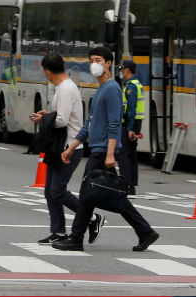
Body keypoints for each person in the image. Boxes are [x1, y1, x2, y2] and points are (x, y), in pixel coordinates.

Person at [53, 46, 159, 252]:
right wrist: (72, 147)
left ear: (108, 63)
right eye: (92, 59)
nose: (94, 63)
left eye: (98, 59)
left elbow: (114, 124)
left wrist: (111, 153)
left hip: (103, 151)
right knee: (109, 195)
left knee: (87, 194)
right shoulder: (101, 89)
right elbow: (89, 124)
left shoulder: (112, 89)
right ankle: (145, 231)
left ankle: (76, 238)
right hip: (97, 148)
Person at [30, 52, 94, 244]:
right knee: (49, 191)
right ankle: (58, 232)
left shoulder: (65, 89)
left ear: (48, 72)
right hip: (60, 145)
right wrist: (48, 114)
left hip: (70, 147)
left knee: (57, 190)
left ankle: (91, 218)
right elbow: (62, 116)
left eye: (44, 72)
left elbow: (61, 121)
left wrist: (44, 119)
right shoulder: (64, 87)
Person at [116, 60, 145, 195]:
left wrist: (130, 129)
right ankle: (131, 184)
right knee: (131, 154)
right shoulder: (134, 84)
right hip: (134, 123)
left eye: (122, 69)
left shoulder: (131, 87)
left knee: (123, 154)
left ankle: (126, 184)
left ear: (127, 70)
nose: (121, 71)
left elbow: (132, 109)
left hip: (130, 123)